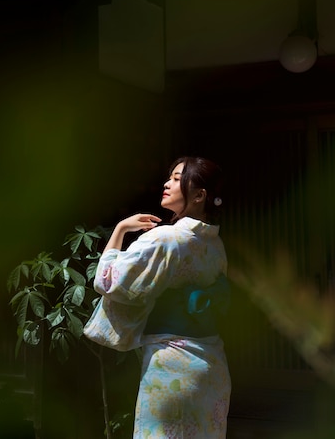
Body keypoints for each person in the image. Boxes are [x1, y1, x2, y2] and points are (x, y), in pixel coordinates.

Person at [83, 156, 231, 438]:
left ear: (200, 195)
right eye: (170, 177)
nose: (167, 183)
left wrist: (120, 229)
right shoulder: (214, 243)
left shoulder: (166, 238)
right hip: (212, 365)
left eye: (177, 179)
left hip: (173, 366)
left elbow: (108, 281)